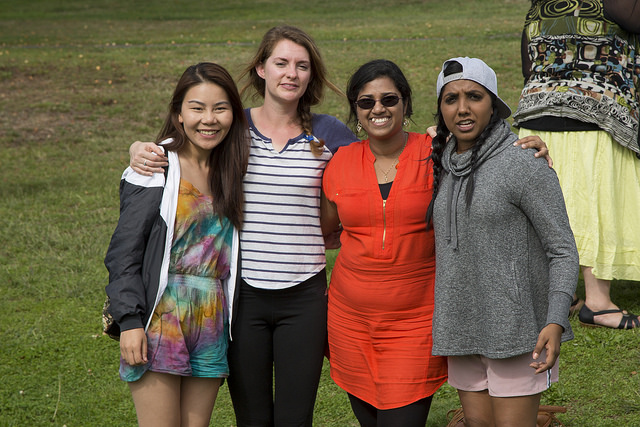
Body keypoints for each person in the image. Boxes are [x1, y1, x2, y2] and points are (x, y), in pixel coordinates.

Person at [128, 26, 357, 426]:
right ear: (261, 69)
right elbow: (188, 141)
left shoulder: (328, 133)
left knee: (295, 418)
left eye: (302, 66)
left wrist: (429, 138)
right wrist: (140, 148)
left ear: (312, 75)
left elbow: (378, 158)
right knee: (251, 418)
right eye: (281, 63)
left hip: (305, 295)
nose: (292, 73)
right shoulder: (234, 129)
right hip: (241, 295)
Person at [320, 59, 551, 427]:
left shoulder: (438, 153)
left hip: (416, 322)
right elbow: (324, 227)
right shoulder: (340, 162)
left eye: (389, 99)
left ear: (405, 103)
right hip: (350, 323)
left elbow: (489, 156)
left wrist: (525, 148)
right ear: (356, 111)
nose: (378, 109)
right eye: (366, 102)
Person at [428, 57, 579, 427]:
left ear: (493, 104)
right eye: (451, 99)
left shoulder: (523, 162)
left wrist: (556, 320)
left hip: (517, 331)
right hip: (461, 326)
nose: (462, 108)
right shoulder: (440, 161)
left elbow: (562, 249)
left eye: (474, 96)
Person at [104, 62, 249, 427]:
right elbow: (124, 252)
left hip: (212, 317)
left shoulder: (233, 168)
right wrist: (130, 321)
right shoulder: (155, 166)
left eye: (220, 108)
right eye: (197, 108)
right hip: (161, 316)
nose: (209, 119)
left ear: (233, 113)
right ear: (179, 114)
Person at [513, 0, 640, 329]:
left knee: (550, 208)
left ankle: (560, 292)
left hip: (537, 114)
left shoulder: (540, 3)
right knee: (593, 207)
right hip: (593, 114)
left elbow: (527, 62)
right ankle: (597, 303)